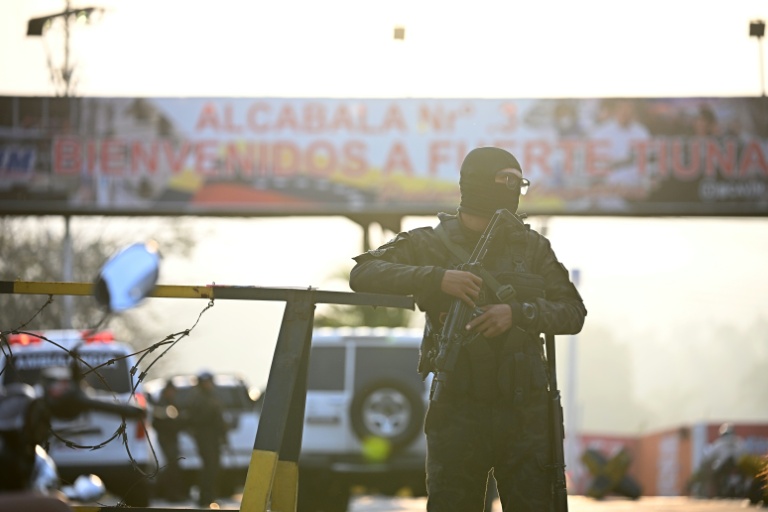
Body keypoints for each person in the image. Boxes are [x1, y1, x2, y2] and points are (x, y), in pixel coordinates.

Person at [349, 146, 587, 512]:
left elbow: (573, 312)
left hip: (524, 413)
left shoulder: (533, 248)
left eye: (518, 183)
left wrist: (517, 313)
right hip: (458, 409)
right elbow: (363, 273)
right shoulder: (429, 243)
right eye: (504, 180)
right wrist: (437, 278)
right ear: (475, 182)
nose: (512, 190)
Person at [186, 370, 228, 507]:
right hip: (204, 438)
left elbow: (219, 420)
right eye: (205, 383)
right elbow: (194, 420)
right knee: (208, 468)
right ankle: (205, 497)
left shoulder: (213, 397)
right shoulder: (198, 399)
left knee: (214, 467)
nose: (207, 385)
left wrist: (223, 434)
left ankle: (211, 496)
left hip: (214, 438)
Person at [151, 380, 187, 502]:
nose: (173, 393)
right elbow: (157, 422)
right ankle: (170, 494)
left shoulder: (171, 402)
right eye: (171, 391)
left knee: (173, 466)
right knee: (171, 466)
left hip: (171, 439)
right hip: (165, 439)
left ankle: (172, 494)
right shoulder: (161, 404)